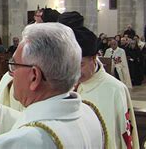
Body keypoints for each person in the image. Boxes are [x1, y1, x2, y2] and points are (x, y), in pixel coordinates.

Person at [58, 11, 139, 149]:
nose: (75, 72)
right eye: (70, 65)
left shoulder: (115, 89)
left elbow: (125, 137)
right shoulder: (63, 85)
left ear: (94, 59)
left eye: (81, 64)